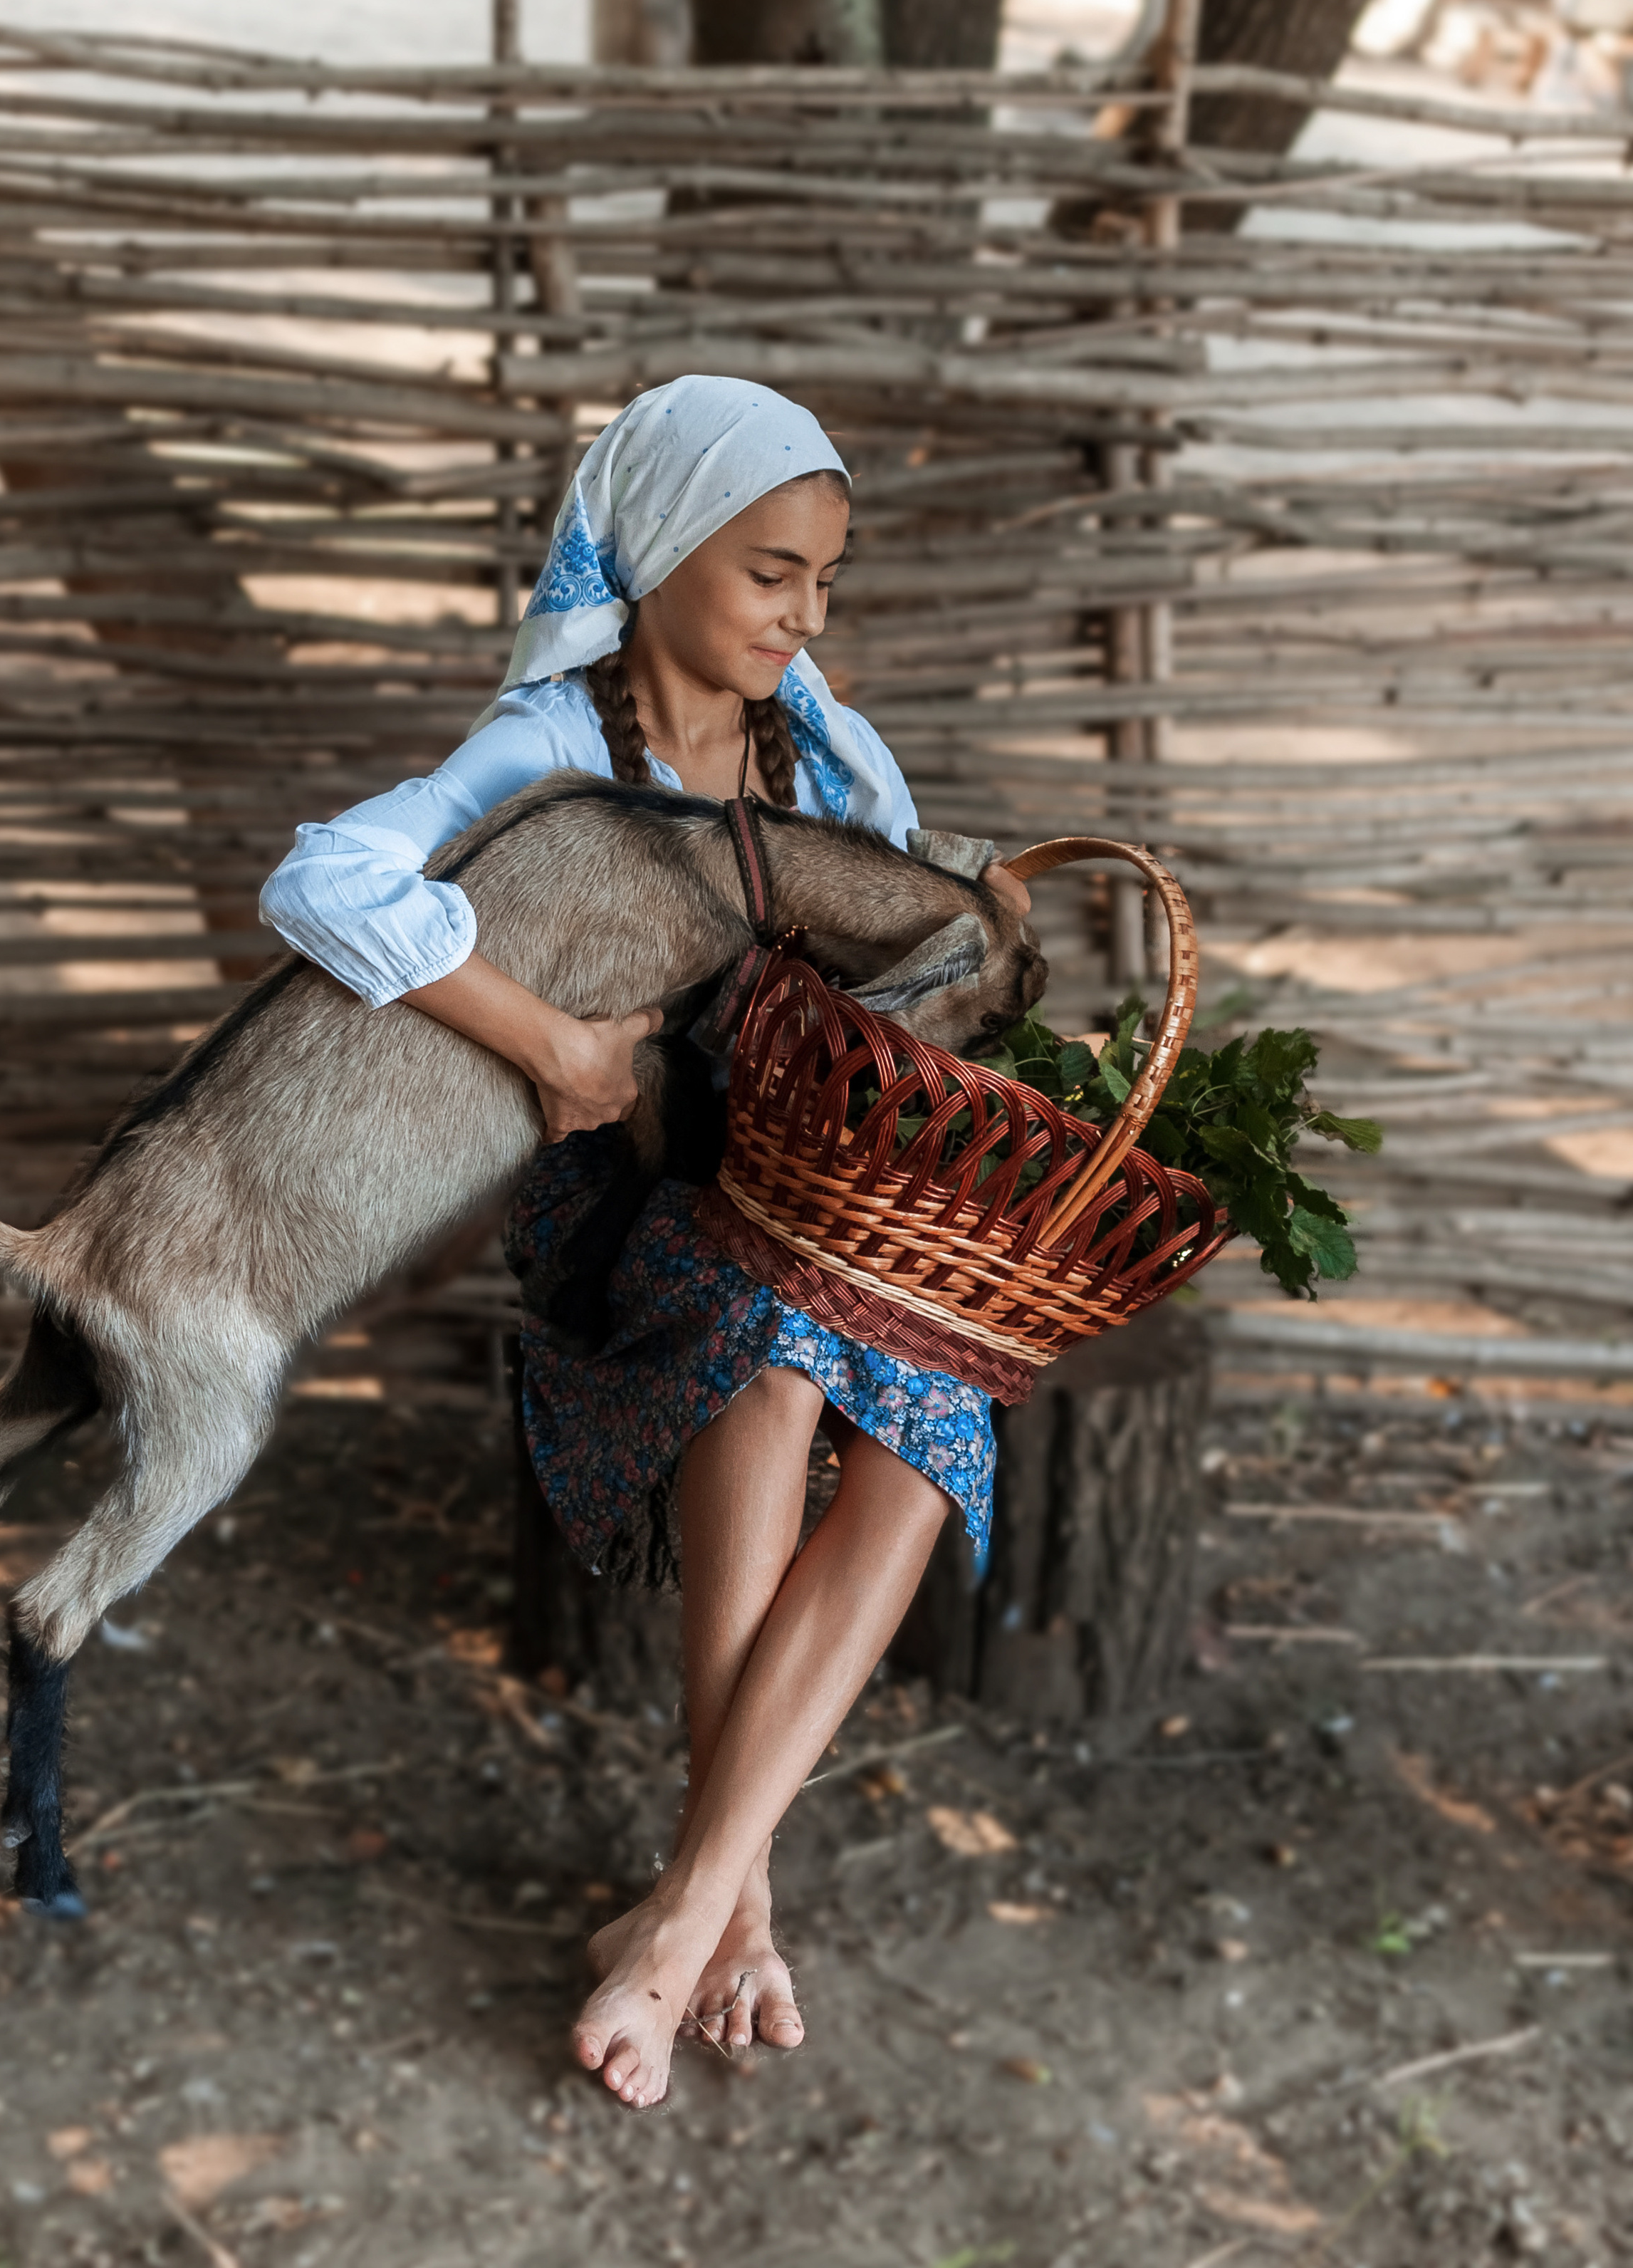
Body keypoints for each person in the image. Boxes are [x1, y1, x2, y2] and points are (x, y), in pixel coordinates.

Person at [261, 375, 1030, 2108]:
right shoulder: (548, 747)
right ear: (667, 548)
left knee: (934, 1417)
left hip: (798, 1194)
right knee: (763, 1360)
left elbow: (912, 934)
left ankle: (696, 1902)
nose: (803, 616)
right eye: (770, 573)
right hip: (630, 1206)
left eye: (824, 580)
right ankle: (727, 1906)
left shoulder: (819, 744)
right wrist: (553, 1044)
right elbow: (321, 881)